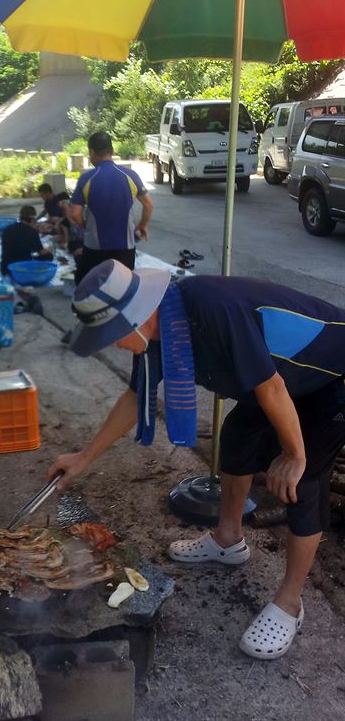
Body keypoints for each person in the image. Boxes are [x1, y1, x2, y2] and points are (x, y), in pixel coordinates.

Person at [49, 260, 345, 660]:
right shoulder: (159, 332)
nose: (113, 344)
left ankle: (290, 603)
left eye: (112, 335)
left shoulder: (210, 307)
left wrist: (294, 454)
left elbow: (271, 388)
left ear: (135, 318)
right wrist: (83, 458)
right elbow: (136, 397)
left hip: (331, 377)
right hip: (280, 380)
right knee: (238, 438)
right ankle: (227, 540)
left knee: (303, 483)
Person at [70, 131, 153, 284]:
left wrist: (86, 226)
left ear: (92, 152)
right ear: (112, 151)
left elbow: (75, 214)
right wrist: (142, 225)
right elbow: (148, 204)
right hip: (125, 247)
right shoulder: (131, 176)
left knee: (89, 286)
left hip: (95, 246)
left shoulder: (87, 179)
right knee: (122, 288)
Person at [0, 205, 53, 277]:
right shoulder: (31, 232)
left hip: (5, 266)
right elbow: (41, 252)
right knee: (48, 256)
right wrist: (50, 249)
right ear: (32, 219)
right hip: (23, 266)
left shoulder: (7, 229)